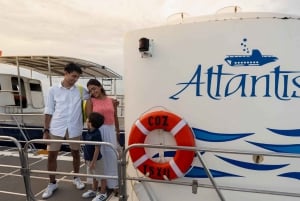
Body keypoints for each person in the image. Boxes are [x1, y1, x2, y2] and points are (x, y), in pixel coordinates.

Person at [42, 62, 90, 199]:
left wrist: (111, 102)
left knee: (75, 153)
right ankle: (52, 183)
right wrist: (45, 129)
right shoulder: (53, 90)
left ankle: (76, 177)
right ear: (66, 73)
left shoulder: (80, 90)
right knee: (52, 155)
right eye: (73, 76)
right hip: (56, 127)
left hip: (74, 127)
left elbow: (94, 96)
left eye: (77, 77)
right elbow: (49, 110)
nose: (75, 79)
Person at [85, 79, 120, 200]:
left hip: (110, 130)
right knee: (98, 157)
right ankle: (97, 187)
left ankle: (113, 183)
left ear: (100, 86)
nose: (93, 92)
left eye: (94, 88)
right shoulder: (90, 101)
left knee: (111, 156)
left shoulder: (111, 100)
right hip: (97, 131)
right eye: (90, 90)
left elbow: (114, 116)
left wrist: (118, 131)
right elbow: (89, 120)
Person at [82, 112, 106, 199]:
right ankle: (94, 190)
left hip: (96, 160)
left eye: (88, 119)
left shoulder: (96, 134)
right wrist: (86, 158)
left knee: (101, 176)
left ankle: (103, 193)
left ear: (91, 122)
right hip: (89, 159)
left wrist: (93, 162)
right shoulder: (89, 131)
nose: (86, 121)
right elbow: (86, 146)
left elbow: (97, 149)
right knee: (94, 176)